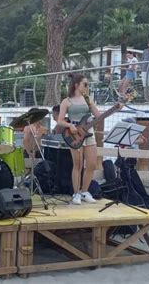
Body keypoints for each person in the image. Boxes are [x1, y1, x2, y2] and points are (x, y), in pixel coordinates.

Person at [57, 73, 106, 205]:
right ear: (76, 85)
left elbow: (98, 115)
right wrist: (69, 125)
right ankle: (76, 193)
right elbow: (60, 121)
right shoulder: (66, 101)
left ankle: (85, 191)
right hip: (74, 133)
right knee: (77, 164)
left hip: (89, 132)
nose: (87, 86)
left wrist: (116, 108)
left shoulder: (88, 99)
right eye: (85, 84)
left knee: (91, 164)